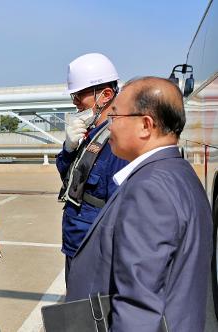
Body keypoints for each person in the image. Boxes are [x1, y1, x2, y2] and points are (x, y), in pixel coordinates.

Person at [66, 76, 213, 331]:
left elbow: (138, 305)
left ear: (146, 125)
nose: (109, 127)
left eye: (115, 117)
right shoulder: (178, 172)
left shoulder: (149, 190)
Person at [57, 53, 128, 281]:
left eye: (79, 95)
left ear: (106, 94)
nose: (75, 102)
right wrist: (69, 148)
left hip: (95, 249)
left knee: (91, 314)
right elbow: (68, 176)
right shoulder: (89, 132)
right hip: (76, 242)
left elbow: (120, 207)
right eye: (73, 96)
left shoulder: (119, 140)